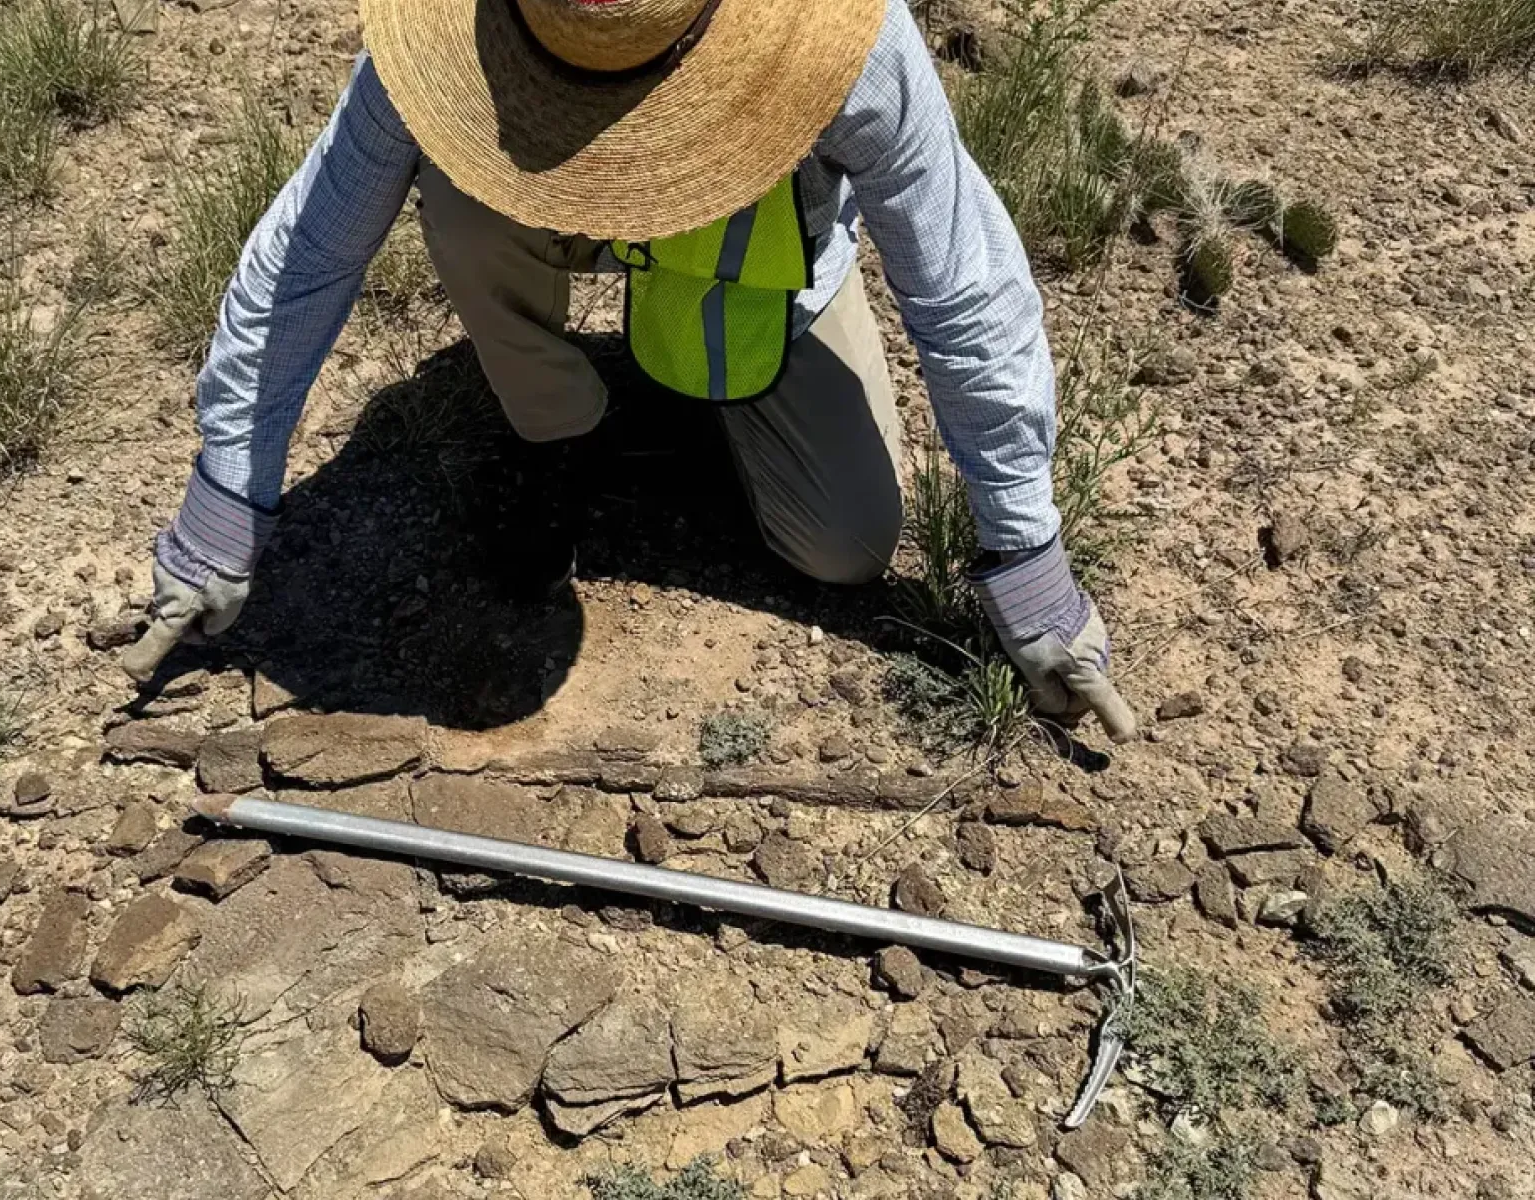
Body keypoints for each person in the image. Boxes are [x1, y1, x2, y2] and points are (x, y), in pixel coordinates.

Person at [130, 0, 1138, 743]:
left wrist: (1025, 550)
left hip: (748, 251)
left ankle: (712, 389)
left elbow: (963, 284)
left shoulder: (852, 46)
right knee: (463, 197)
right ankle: (553, 434)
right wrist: (229, 492)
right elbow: (313, 250)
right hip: (541, 213)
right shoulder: (438, 39)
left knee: (845, 548)